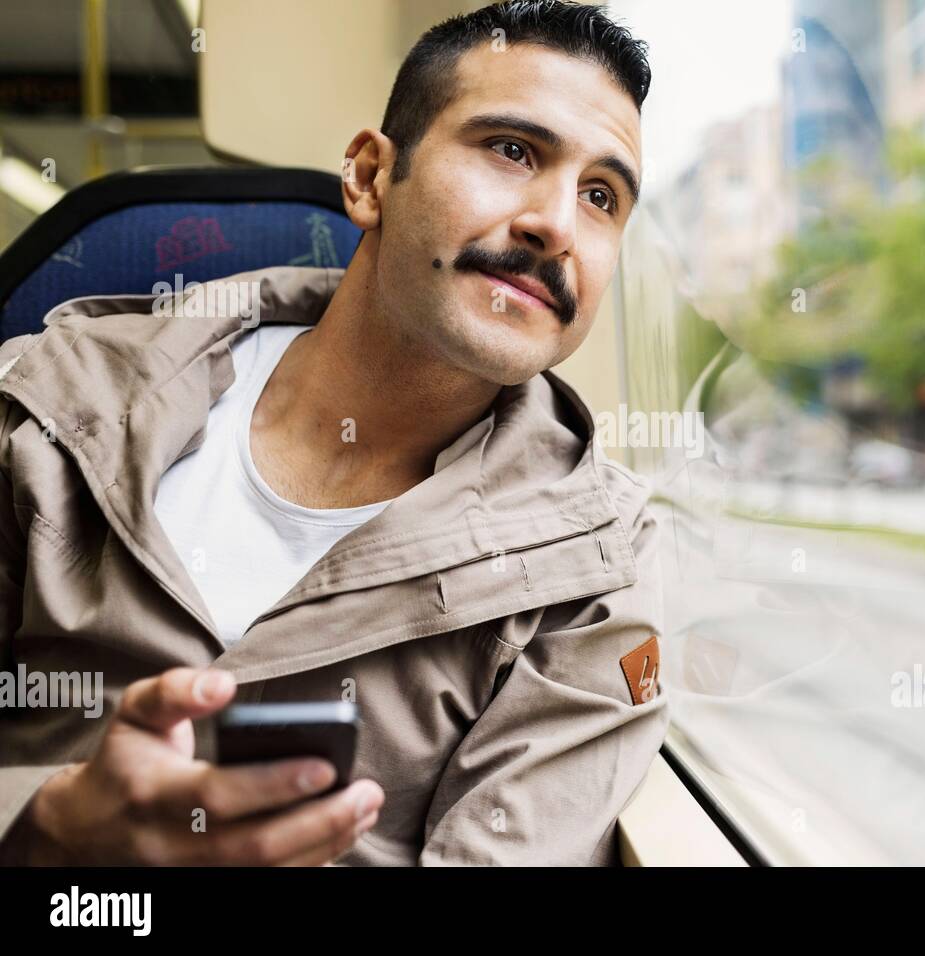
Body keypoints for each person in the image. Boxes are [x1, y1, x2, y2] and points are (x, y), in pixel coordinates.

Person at [0, 0, 666, 866]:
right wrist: (47, 830)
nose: (556, 225)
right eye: (511, 151)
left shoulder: (600, 570)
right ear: (367, 178)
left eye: (601, 196)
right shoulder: (46, 402)